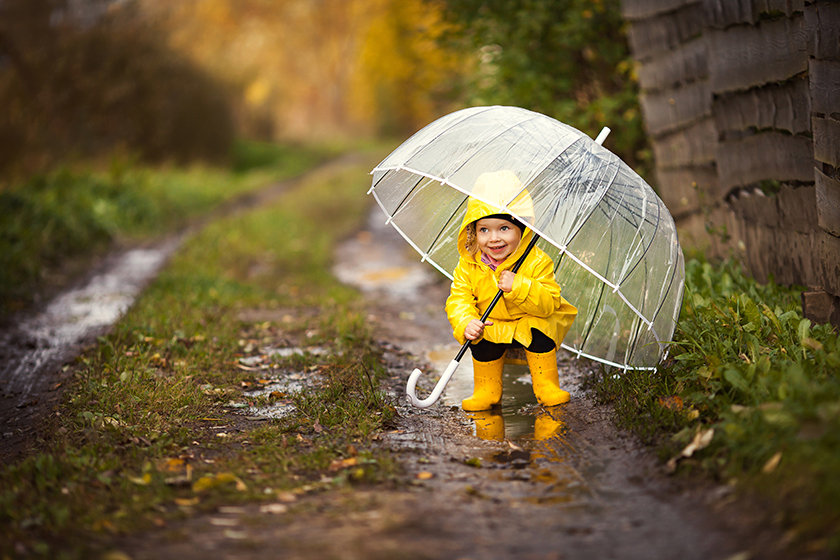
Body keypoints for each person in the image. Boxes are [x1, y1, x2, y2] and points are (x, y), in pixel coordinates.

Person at [445, 170, 577, 411]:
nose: (493, 239)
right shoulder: (469, 263)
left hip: (528, 322)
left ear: (522, 228)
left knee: (541, 330)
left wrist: (519, 285)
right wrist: (466, 321)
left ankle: (546, 385)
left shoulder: (536, 260)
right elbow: (459, 298)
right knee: (480, 335)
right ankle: (486, 390)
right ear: (473, 231)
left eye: (504, 228)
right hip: (494, 325)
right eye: (484, 230)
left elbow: (549, 303)